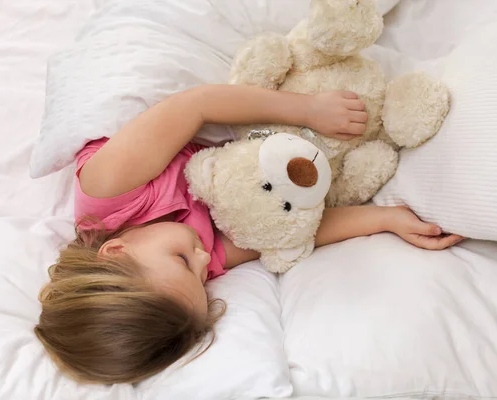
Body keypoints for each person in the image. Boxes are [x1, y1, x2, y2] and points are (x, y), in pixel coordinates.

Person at [34, 85, 463, 385]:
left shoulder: (109, 189)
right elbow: (285, 231)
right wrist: (385, 220)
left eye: (184, 261)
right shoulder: (195, 266)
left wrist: (307, 109)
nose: (206, 261)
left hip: (173, 113)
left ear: (115, 251)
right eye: (202, 279)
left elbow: (195, 105)